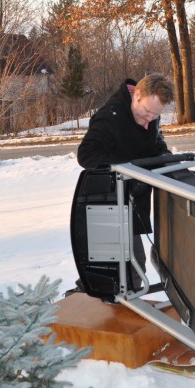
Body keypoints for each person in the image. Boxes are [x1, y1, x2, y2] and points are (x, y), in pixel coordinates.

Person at [77, 73, 175, 291]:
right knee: (125, 268)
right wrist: (128, 170)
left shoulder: (148, 114)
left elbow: (155, 143)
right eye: (147, 111)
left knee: (121, 267)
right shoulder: (110, 117)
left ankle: (93, 300)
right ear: (137, 95)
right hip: (110, 202)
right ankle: (90, 305)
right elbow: (86, 155)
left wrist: (165, 157)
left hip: (131, 201)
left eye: (155, 115)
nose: (150, 118)